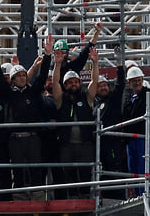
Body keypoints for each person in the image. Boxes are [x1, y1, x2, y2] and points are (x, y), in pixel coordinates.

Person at [0, 37, 50, 199]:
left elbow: (42, 77)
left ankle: (37, 196)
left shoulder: (33, 93)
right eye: (19, 76)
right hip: (15, 139)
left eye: (24, 75)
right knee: (18, 169)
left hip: (33, 137)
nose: (22, 77)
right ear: (13, 79)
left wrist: (48, 55)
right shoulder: (9, 95)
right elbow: (0, 79)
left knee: (36, 168)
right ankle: (20, 197)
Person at [50, 44, 100, 199]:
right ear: (65, 85)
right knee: (68, 174)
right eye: (70, 82)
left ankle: (85, 197)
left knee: (85, 173)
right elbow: (55, 83)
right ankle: (70, 199)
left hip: (85, 143)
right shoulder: (61, 99)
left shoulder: (87, 97)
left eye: (76, 82)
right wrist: (57, 64)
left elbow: (94, 81)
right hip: (66, 144)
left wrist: (95, 63)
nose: (73, 84)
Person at [120, 64, 150, 186]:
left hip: (143, 137)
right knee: (133, 169)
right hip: (130, 139)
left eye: (139, 80)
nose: (137, 83)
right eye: (134, 81)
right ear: (129, 82)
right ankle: (137, 194)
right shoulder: (129, 99)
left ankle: (145, 192)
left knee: (143, 167)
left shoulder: (148, 94)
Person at [96, 65, 128, 199]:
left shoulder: (113, 100)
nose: (103, 88)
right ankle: (104, 197)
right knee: (101, 171)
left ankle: (118, 199)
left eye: (105, 85)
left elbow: (120, 85)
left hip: (113, 142)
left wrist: (120, 67)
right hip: (99, 144)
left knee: (114, 170)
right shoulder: (94, 104)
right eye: (100, 86)